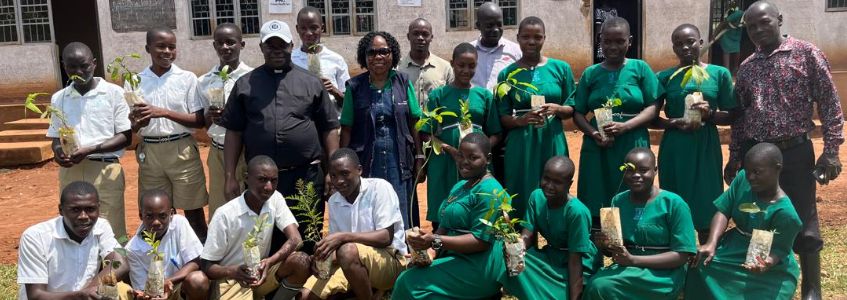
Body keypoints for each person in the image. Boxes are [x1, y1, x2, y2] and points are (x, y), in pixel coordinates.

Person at [726, 2, 844, 298]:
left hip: (794, 153)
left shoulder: (806, 54)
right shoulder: (747, 67)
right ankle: (762, 282)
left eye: (763, 23)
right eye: (750, 27)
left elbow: (830, 105)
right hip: (757, 155)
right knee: (760, 219)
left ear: (779, 19)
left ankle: (811, 288)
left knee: (804, 220)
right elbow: (741, 118)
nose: (757, 31)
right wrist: (735, 157)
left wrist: (831, 150)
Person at [219, 20, 339, 241]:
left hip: (305, 177)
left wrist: (331, 169)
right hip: (261, 181)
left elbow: (329, 128)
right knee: (264, 237)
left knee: (308, 236)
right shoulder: (245, 84)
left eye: (281, 45)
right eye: (270, 46)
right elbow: (234, 132)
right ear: (262, 48)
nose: (276, 51)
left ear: (291, 45)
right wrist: (229, 177)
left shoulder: (311, 82)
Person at [391, 133, 537, 299]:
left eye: (472, 157)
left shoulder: (491, 191)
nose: (464, 162)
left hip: (479, 264)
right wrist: (430, 252)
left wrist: (435, 240)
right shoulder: (461, 185)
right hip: (455, 256)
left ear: (488, 159)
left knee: (408, 282)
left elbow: (480, 242)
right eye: (461, 155)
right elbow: (444, 226)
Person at [567, 17, 660, 226]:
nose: (613, 47)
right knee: (596, 189)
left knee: (632, 186)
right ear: (600, 41)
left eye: (620, 41)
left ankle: (632, 236)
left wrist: (625, 126)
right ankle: (599, 238)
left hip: (632, 141)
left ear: (630, 41)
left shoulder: (640, 68)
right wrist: (593, 133)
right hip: (598, 144)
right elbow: (578, 112)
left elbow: (653, 107)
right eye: (607, 41)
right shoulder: (591, 73)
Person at [685, 143, 802, 299]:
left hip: (767, 258)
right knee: (699, 264)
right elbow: (723, 210)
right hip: (733, 247)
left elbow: (780, 249)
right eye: (747, 171)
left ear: (777, 168)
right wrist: (711, 243)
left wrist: (767, 262)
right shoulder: (742, 180)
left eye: (757, 172)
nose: (750, 177)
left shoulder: (786, 213)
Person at [655, 24, 737, 244]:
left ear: (701, 43)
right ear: (673, 48)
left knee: (707, 203)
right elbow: (653, 117)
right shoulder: (665, 77)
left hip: (705, 145)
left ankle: (706, 259)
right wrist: (673, 122)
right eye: (678, 44)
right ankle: (677, 260)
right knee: (673, 203)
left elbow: (732, 115)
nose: (685, 47)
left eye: (690, 41)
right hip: (675, 147)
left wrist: (709, 114)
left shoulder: (718, 74)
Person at [583, 148, 697, 300]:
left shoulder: (674, 204)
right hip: (628, 268)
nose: (636, 175)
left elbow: (682, 255)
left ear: (655, 171)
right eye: (630, 170)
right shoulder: (618, 201)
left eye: (643, 170)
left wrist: (634, 260)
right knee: (595, 284)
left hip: (663, 274)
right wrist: (605, 245)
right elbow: (616, 251)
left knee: (601, 286)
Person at [47, 42, 132, 239]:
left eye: (84, 66)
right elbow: (55, 137)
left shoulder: (114, 93)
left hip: (105, 170)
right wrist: (59, 152)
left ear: (94, 64)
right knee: (75, 227)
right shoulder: (59, 98)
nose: (78, 72)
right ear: (64, 66)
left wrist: (89, 150)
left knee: (111, 228)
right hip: (71, 171)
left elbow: (125, 137)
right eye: (72, 67)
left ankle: (113, 269)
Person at [339, 31, 422, 229]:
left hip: (399, 162)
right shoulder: (355, 87)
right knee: (371, 213)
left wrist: (419, 156)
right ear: (364, 57)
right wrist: (342, 165)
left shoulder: (403, 82)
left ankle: (404, 256)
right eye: (372, 52)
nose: (378, 57)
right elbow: (347, 129)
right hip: (367, 162)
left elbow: (415, 122)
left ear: (392, 54)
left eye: (384, 51)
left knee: (403, 212)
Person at [300, 148, 407, 300]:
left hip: (390, 261)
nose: (339, 181)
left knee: (347, 251)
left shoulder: (379, 188)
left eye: (345, 173)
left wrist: (343, 237)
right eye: (333, 176)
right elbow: (338, 248)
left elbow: (385, 237)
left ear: (359, 170)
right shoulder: (334, 201)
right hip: (351, 263)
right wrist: (321, 257)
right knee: (305, 296)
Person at [131, 27, 208, 239]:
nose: (167, 51)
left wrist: (162, 112)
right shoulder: (135, 81)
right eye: (160, 46)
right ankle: (160, 260)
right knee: (157, 212)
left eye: (172, 47)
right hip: (151, 152)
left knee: (193, 209)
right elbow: (132, 126)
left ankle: (202, 260)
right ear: (148, 48)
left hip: (182, 149)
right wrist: (137, 123)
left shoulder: (187, 78)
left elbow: (199, 120)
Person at [200, 155, 311, 299]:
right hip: (231, 280)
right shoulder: (225, 214)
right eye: (262, 179)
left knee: (301, 262)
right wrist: (233, 271)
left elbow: (295, 239)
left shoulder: (275, 198)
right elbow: (207, 266)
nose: (268, 187)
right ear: (246, 178)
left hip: (260, 273)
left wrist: (269, 262)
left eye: (274, 180)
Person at [496, 16, 574, 218]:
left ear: (544, 38)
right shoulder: (507, 74)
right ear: (518, 38)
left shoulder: (561, 69)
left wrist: (557, 109)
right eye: (526, 37)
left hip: (552, 137)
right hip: (522, 142)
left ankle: (557, 235)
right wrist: (521, 120)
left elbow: (572, 109)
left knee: (556, 186)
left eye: (537, 37)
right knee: (520, 188)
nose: (531, 42)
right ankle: (520, 242)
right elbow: (503, 117)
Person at [418, 42, 501, 228]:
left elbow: (496, 133)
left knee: (479, 206)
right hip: (445, 162)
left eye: (471, 65)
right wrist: (450, 150)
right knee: (444, 207)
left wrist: (478, 153)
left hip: (477, 164)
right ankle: (442, 247)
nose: (466, 70)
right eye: (461, 65)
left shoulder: (484, 96)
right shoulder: (438, 95)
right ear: (452, 64)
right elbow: (425, 133)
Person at [17, 181, 130, 299]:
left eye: (90, 209)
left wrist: (89, 293)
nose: (84, 216)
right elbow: (36, 296)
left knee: (123, 290)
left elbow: (120, 264)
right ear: (61, 210)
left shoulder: (101, 226)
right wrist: (82, 295)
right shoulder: (35, 237)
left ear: (98, 208)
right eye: (75, 210)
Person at [518, 156, 599, 300]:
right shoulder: (536, 197)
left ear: (569, 184)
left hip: (578, 263)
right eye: (546, 178)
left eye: (557, 182)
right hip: (552, 255)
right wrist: (518, 246)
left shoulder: (576, 212)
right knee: (518, 260)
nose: (549, 185)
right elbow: (527, 235)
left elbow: (575, 260)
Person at [198, 23, 254, 219]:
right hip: (218, 150)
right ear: (214, 46)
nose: (225, 47)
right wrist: (211, 116)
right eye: (220, 43)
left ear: (242, 44)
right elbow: (205, 125)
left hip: (246, 150)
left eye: (231, 42)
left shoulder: (252, 77)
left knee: (248, 204)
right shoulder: (205, 80)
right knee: (220, 205)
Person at [469, 1, 522, 184]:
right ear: (478, 26)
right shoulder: (469, 51)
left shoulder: (515, 51)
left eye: (499, 24)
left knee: (505, 169)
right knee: (477, 171)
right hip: (477, 121)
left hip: (505, 120)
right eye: (489, 25)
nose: (495, 29)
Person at [127, 189, 208, 299]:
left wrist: (169, 281)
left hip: (180, 286)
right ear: (141, 215)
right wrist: (149, 295)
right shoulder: (132, 249)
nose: (156, 222)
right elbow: (141, 288)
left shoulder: (179, 224)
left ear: (171, 213)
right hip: (155, 293)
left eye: (162, 216)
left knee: (197, 280)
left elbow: (195, 261)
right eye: (149, 216)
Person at [292, 6, 349, 112]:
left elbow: (349, 103)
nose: (309, 33)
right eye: (303, 28)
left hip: (331, 123)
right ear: (297, 29)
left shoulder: (336, 60)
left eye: (313, 27)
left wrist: (334, 91)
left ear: (322, 28)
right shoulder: (290, 60)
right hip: (301, 123)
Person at [398, 18, 453, 107]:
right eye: (415, 34)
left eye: (425, 34)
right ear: (408, 36)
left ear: (431, 37)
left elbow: (452, 98)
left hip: (436, 120)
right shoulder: (398, 68)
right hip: (408, 121)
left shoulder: (445, 67)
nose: (420, 38)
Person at [715, 1, 744, 76]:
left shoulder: (751, 19)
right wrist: (714, 35)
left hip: (736, 36)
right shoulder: (738, 14)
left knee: (737, 52)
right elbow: (723, 23)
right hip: (727, 35)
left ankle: (735, 68)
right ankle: (726, 71)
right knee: (726, 52)